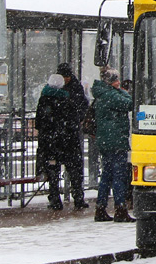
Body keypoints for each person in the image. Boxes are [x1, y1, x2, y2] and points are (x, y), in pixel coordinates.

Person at [35, 72, 87, 211]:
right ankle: (78, 198)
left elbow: (39, 123)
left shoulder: (44, 99)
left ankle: (55, 199)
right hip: (68, 142)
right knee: (74, 171)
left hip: (50, 143)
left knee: (53, 173)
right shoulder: (67, 100)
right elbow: (74, 120)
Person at [91, 68, 134, 222]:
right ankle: (120, 208)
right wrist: (122, 91)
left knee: (107, 176)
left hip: (105, 141)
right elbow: (130, 104)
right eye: (116, 80)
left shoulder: (101, 94)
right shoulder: (112, 95)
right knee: (119, 175)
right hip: (116, 141)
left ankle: (100, 208)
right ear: (111, 82)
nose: (119, 83)